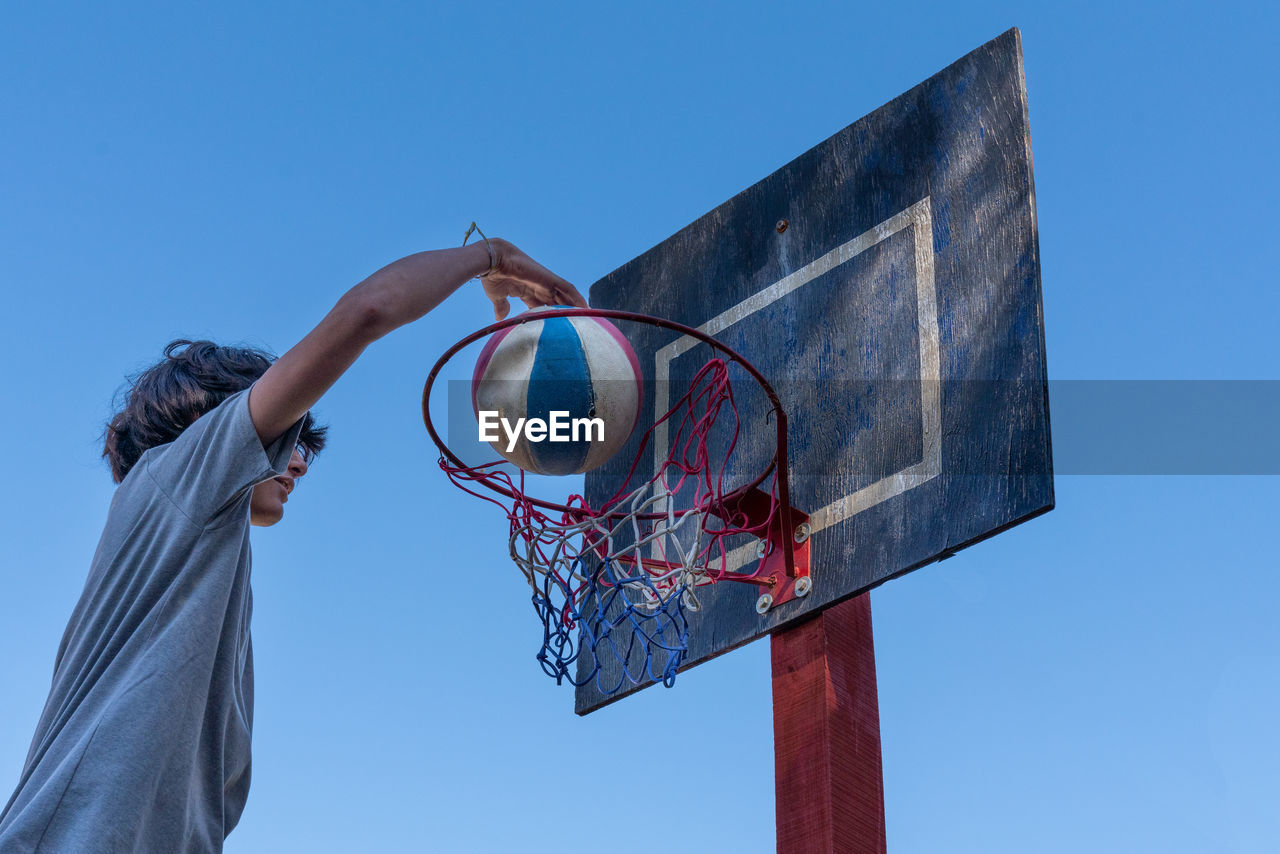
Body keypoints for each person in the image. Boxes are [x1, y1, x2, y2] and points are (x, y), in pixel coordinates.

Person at [0, 237, 586, 853]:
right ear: (209, 426)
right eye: (288, 438)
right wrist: (493, 257)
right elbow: (368, 311)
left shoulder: (193, 553)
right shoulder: (180, 475)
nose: (300, 464)